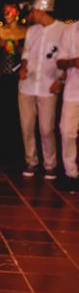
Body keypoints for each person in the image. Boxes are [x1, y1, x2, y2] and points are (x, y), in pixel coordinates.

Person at [18, 0, 66, 179]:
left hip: (48, 87)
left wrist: (60, 80)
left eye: (34, 11)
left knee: (46, 128)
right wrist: (23, 68)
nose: (32, 14)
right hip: (27, 86)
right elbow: (26, 54)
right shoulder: (32, 31)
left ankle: (50, 164)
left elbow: (65, 55)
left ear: (42, 11)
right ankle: (31, 161)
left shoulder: (62, 30)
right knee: (27, 126)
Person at [0, 3, 26, 158]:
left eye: (9, 11)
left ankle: (15, 149)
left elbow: (30, 53)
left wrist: (18, 48)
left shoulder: (25, 31)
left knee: (16, 113)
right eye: (4, 12)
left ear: (16, 13)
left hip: (18, 79)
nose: (6, 14)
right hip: (1, 79)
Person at [56, 21, 79, 190]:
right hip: (73, 90)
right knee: (66, 130)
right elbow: (60, 61)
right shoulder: (70, 30)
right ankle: (71, 173)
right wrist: (73, 62)